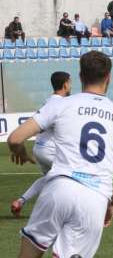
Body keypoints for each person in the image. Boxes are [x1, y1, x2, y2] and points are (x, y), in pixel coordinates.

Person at [1, 51, 113, 258]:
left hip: (60, 187)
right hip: (95, 198)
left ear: (80, 75)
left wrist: (21, 152)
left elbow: (15, 138)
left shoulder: (63, 105)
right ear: (109, 77)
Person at [10, 72, 71, 218]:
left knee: (48, 179)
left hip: (39, 148)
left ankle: (20, 201)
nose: (71, 86)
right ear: (65, 85)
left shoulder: (49, 101)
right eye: (70, 83)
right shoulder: (61, 104)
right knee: (76, 176)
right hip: (51, 151)